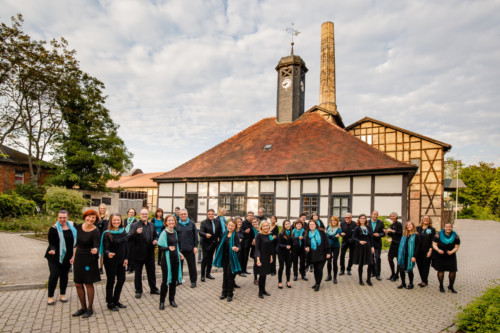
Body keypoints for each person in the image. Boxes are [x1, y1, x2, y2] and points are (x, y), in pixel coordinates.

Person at [70, 209, 101, 318]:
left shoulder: (96, 231)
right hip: (78, 258)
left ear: (95, 219)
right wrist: (73, 256)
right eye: (89, 216)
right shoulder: (78, 227)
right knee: (78, 283)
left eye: (93, 217)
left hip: (89, 260)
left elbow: (97, 245)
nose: (90, 219)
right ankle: (82, 308)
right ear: (85, 217)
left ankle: (89, 308)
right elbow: (76, 244)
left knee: (88, 283)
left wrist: (96, 250)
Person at [45, 209, 76, 306]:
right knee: (54, 275)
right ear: (57, 217)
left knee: (64, 276)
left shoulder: (73, 226)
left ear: (68, 217)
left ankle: (62, 294)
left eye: (64, 217)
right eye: (60, 218)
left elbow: (77, 240)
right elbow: (52, 243)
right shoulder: (53, 228)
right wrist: (52, 249)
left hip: (67, 256)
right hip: (54, 256)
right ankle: (50, 296)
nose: (62, 219)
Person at [127, 208, 159, 299]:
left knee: (151, 272)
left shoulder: (152, 225)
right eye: (143, 214)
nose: (144, 215)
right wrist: (136, 233)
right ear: (140, 215)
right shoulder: (134, 225)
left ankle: (153, 289)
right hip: (138, 253)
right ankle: (138, 290)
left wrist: (155, 240)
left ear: (148, 215)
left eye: (146, 214)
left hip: (150, 253)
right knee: (138, 273)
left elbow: (156, 235)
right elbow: (128, 237)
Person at [100, 213, 128, 311]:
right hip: (111, 261)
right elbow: (105, 249)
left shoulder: (123, 231)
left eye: (118, 220)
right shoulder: (107, 233)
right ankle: (110, 302)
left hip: (121, 261)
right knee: (111, 281)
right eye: (114, 220)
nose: (116, 222)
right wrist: (108, 253)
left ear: (121, 221)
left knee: (121, 280)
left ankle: (116, 300)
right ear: (111, 221)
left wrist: (126, 258)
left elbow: (126, 246)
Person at [158, 215, 183, 309]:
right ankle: (162, 302)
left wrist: (179, 253)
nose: (171, 222)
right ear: (166, 222)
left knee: (173, 280)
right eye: (169, 220)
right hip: (167, 261)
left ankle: (172, 300)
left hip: (175, 259)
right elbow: (160, 247)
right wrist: (168, 248)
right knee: (165, 281)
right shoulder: (164, 233)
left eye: (173, 220)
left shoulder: (175, 232)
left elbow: (175, 246)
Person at [213, 219, 242, 302]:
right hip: (224, 258)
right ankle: (224, 293)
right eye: (229, 225)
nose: (230, 227)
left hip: (232, 258)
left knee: (229, 276)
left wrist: (237, 249)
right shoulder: (224, 234)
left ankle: (230, 294)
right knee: (225, 275)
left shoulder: (236, 235)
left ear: (235, 227)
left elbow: (239, 246)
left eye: (232, 226)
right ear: (227, 226)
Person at [432, 222, 461, 293]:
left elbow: (456, 247)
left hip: (451, 255)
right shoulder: (438, 235)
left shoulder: (456, 236)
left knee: (453, 270)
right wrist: (438, 250)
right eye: (447, 227)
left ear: (452, 228)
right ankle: (441, 286)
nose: (448, 228)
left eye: (450, 227)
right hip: (440, 255)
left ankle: (451, 286)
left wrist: (452, 252)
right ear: (444, 227)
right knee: (441, 270)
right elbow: (434, 244)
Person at [304, 220, 330, 291]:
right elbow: (305, 244)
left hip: (322, 254)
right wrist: (306, 248)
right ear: (308, 226)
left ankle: (318, 284)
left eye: (313, 224)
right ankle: (316, 282)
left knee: (319, 269)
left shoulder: (321, 232)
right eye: (310, 225)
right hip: (313, 255)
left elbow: (327, 243)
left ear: (316, 225)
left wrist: (328, 253)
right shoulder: (307, 234)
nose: (311, 225)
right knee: (315, 270)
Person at [176, 208, 199, 288]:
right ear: (179, 215)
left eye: (185, 214)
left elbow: (196, 236)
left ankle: (193, 281)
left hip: (190, 249)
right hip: (180, 249)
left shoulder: (192, 224)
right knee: (179, 266)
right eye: (182, 214)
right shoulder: (176, 224)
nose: (183, 215)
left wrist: (195, 246)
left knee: (192, 266)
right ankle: (179, 280)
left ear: (187, 214)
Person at [199, 209, 222, 282]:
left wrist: (219, 238)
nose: (211, 215)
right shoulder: (203, 222)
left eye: (212, 214)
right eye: (209, 214)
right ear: (207, 215)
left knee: (210, 259)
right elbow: (200, 232)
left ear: (214, 214)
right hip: (206, 244)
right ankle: (202, 276)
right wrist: (205, 234)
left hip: (214, 243)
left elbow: (220, 232)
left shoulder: (218, 222)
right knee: (205, 259)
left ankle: (208, 274)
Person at [352, 214, 375, 286]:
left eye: (364, 218)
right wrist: (359, 241)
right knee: (361, 264)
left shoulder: (368, 227)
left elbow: (371, 237)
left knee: (370, 263)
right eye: (361, 218)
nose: (362, 219)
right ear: (359, 219)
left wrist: (372, 246)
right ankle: (360, 280)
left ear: (365, 219)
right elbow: (353, 237)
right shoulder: (357, 228)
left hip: (368, 246)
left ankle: (368, 279)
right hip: (360, 247)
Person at [397, 222, 420, 290]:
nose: (409, 226)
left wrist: (414, 256)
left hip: (410, 255)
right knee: (401, 269)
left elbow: (417, 247)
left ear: (413, 226)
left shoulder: (416, 235)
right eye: (407, 225)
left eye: (410, 225)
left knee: (409, 270)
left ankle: (411, 283)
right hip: (402, 255)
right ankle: (403, 283)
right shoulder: (404, 235)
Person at [254, 220, 275, 299]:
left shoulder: (270, 235)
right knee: (261, 275)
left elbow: (271, 247)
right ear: (261, 227)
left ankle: (263, 290)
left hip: (267, 257)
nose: (266, 227)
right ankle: (260, 292)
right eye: (264, 226)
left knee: (265, 274)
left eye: (267, 225)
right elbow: (257, 248)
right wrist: (258, 259)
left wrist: (271, 256)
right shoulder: (259, 235)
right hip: (260, 257)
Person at [416, 215, 436, 288]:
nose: (426, 220)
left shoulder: (432, 229)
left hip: (427, 251)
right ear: (422, 220)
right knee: (420, 266)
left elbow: (433, 241)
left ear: (429, 220)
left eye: (427, 219)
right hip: (418, 251)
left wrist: (430, 251)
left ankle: (424, 281)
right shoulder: (418, 228)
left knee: (426, 266)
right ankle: (423, 280)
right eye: (424, 218)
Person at [367, 210, 386, 280]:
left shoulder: (380, 223)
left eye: (376, 214)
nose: (375, 216)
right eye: (374, 214)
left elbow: (384, 233)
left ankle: (378, 274)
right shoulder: (367, 223)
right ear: (371, 215)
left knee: (377, 258)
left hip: (377, 243)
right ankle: (373, 272)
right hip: (370, 243)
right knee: (371, 258)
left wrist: (379, 234)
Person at [384, 212, 403, 282]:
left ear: (396, 217)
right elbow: (392, 235)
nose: (392, 217)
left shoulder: (399, 224)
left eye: (393, 216)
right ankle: (392, 273)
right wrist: (387, 232)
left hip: (398, 244)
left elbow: (400, 233)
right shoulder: (392, 225)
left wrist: (392, 230)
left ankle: (396, 275)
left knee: (398, 260)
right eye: (391, 216)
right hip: (393, 243)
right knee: (389, 258)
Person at [276, 220, 293, 289]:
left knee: (288, 266)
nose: (288, 225)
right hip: (281, 252)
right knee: (281, 267)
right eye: (286, 224)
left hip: (288, 252)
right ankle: (280, 282)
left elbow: (292, 243)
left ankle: (288, 281)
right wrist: (285, 246)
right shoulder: (281, 233)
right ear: (284, 226)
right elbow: (279, 244)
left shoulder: (291, 233)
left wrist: (291, 249)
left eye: (288, 224)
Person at [326, 216, 342, 284]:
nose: (334, 222)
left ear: (337, 222)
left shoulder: (339, 229)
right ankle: (329, 276)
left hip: (336, 246)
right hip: (328, 247)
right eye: (332, 220)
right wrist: (333, 236)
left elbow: (336, 238)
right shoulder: (328, 227)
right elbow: (326, 236)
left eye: (335, 221)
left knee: (334, 262)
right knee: (329, 261)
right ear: (331, 221)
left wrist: (331, 237)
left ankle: (335, 277)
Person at [96, 204, 109, 275]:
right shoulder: (96, 217)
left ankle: (101, 267)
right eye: (101, 208)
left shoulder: (107, 218)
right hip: (96, 237)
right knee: (96, 253)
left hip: (103, 237)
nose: (102, 210)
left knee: (102, 253)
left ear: (105, 209)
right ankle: (95, 267)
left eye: (103, 208)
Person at [125, 208, 138, 274]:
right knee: (126, 253)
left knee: (131, 254)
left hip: (132, 239)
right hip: (125, 238)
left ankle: (131, 268)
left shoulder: (135, 221)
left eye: (132, 212)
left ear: (134, 214)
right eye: (130, 212)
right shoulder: (125, 220)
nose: (131, 213)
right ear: (128, 213)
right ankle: (127, 267)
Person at [249, 218, 260, 284]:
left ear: (258, 222)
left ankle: (261, 277)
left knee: (261, 264)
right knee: (256, 264)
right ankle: (255, 278)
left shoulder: (261, 229)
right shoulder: (251, 230)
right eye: (253, 222)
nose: (254, 223)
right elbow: (249, 240)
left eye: (255, 222)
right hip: (255, 249)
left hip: (262, 249)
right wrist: (252, 243)